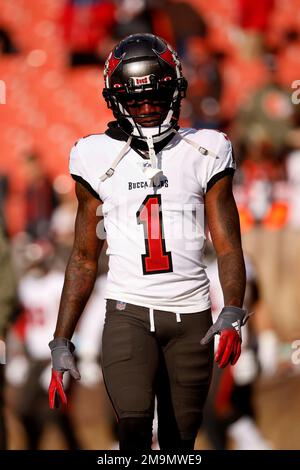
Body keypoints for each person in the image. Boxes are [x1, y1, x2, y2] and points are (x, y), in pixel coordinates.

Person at [48, 33, 248, 451]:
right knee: (134, 433)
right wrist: (61, 338)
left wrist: (232, 307)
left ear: (175, 91)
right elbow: (85, 258)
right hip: (128, 313)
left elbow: (229, 245)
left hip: (192, 316)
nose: (147, 108)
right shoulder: (94, 155)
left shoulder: (205, 148)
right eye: (136, 101)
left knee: (180, 446)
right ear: (116, 100)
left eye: (156, 98)